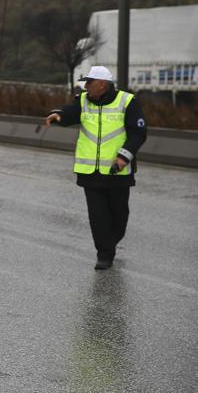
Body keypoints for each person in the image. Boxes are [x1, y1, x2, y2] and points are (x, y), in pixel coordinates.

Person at [44, 66, 147, 270]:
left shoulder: (127, 102)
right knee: (98, 216)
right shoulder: (83, 100)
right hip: (90, 173)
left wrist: (123, 157)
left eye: (89, 82)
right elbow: (70, 113)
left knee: (119, 216)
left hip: (117, 171)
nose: (86, 86)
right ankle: (104, 254)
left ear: (102, 84)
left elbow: (138, 133)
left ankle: (111, 241)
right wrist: (58, 115)